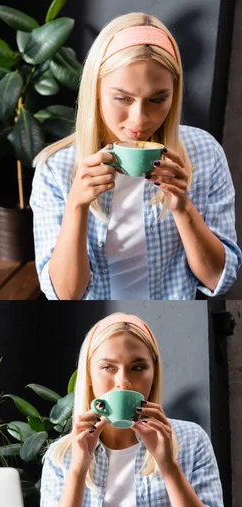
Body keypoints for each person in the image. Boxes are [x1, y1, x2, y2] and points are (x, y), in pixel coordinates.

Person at [31, 13, 241, 300]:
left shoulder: (205, 153)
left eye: (157, 99)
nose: (139, 119)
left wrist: (183, 208)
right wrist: (76, 206)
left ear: (174, 94)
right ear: (96, 89)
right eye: (122, 98)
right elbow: (67, 295)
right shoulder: (55, 170)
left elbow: (219, 279)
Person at [35, 313, 232, 507]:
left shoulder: (191, 440)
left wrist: (168, 465)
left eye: (138, 367)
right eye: (108, 367)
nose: (123, 382)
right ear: (90, 375)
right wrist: (78, 468)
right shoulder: (63, 455)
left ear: (154, 373)